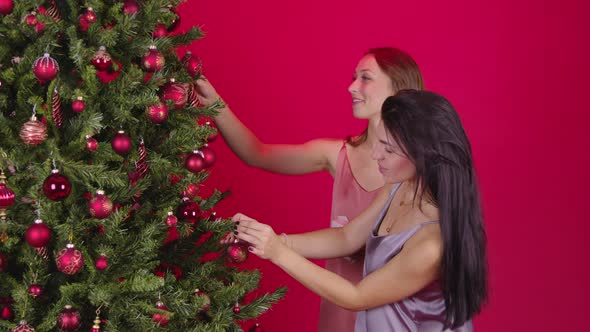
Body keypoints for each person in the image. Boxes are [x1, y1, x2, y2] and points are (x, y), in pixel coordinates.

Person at [194, 47, 424, 331]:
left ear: (398, 87)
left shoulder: (417, 173)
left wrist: (277, 245)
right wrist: (215, 103)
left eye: (365, 78)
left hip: (392, 316)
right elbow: (256, 153)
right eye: (354, 77)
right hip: (338, 310)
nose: (351, 86)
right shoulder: (336, 154)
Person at [231, 90, 488, 331]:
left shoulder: (432, 243)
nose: (376, 154)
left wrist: (277, 252)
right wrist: (277, 240)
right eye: (378, 142)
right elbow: (346, 238)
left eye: (388, 148)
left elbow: (357, 296)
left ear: (423, 155)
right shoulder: (397, 187)